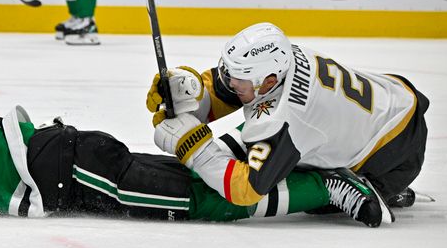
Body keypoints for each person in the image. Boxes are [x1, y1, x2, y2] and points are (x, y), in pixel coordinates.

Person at [0, 81, 384, 226]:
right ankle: (322, 183)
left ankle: (326, 187)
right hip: (70, 159)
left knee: (204, 205)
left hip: (70, 170)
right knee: (193, 184)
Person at [147, 22, 428, 227]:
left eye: (238, 78)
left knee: (302, 189)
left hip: (392, 154)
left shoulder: (285, 116)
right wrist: (194, 94)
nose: (230, 83)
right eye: (229, 72)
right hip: (393, 100)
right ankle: (381, 185)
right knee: (252, 144)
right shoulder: (279, 60)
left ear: (269, 80)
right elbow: (231, 90)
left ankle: (345, 184)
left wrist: (195, 149)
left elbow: (246, 190)